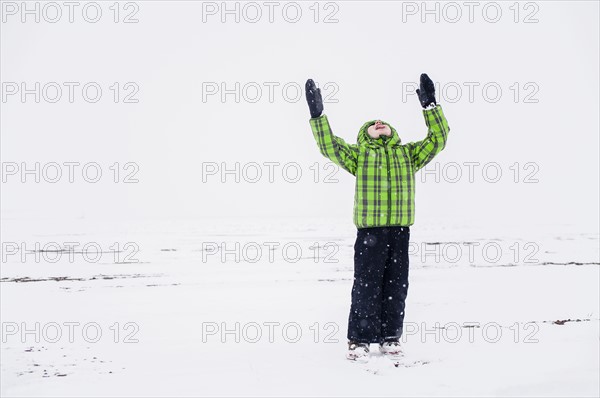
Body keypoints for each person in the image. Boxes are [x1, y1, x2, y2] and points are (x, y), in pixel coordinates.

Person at [305, 74, 450, 361]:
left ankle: (390, 337)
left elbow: (438, 140)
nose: (378, 123)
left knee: (396, 285)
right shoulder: (359, 155)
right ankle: (359, 339)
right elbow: (329, 146)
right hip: (370, 232)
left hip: (399, 230)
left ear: (393, 132)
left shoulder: (407, 154)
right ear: (364, 133)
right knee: (366, 285)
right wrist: (317, 114)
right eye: (372, 123)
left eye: (383, 122)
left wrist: (431, 107)